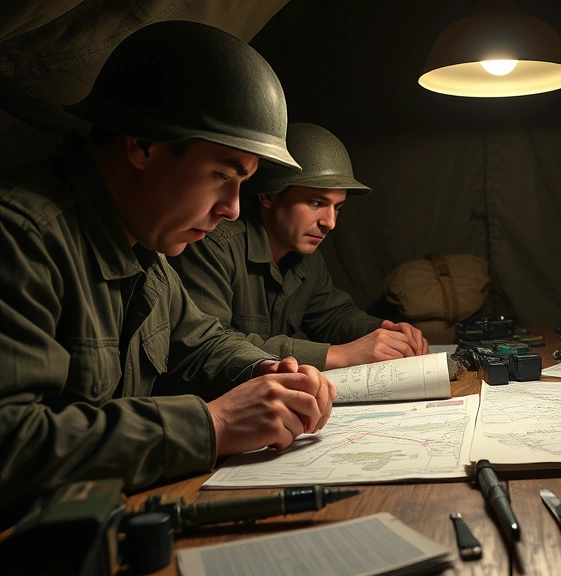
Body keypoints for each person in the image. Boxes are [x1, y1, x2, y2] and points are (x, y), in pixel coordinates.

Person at [0, 21, 337, 528]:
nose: (231, 209)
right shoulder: (22, 237)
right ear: (143, 145)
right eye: (223, 175)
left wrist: (268, 373)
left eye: (243, 183)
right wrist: (214, 423)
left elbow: (200, 343)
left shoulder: (145, 248)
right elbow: (12, 444)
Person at [168, 123, 428, 372]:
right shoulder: (211, 245)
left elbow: (333, 315)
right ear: (267, 195)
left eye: (337, 208)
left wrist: (385, 333)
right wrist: (343, 355)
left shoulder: (306, 257)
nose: (330, 222)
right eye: (316, 203)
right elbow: (209, 349)